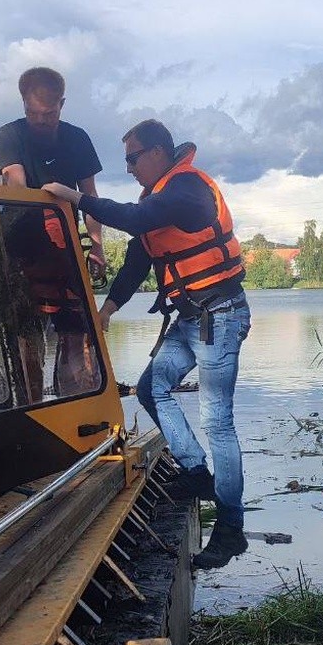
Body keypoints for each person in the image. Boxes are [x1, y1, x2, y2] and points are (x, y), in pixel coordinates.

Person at [43, 119, 251, 570]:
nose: (130, 167)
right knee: (151, 387)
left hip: (221, 315)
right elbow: (138, 261)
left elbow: (133, 221)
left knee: (218, 422)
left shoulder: (188, 189)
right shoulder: (155, 201)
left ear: (158, 152)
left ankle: (231, 529)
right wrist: (106, 311)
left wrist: (76, 197)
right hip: (191, 317)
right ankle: (196, 474)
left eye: (133, 158)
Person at [0, 67, 103, 402]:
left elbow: (90, 198)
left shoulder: (77, 138)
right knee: (28, 335)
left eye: (49, 113)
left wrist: (96, 246)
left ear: (62, 104)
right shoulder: (10, 134)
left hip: (67, 249)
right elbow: (15, 182)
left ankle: (80, 403)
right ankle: (32, 405)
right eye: (33, 113)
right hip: (23, 249)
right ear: (23, 104)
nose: (41, 120)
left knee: (78, 334)